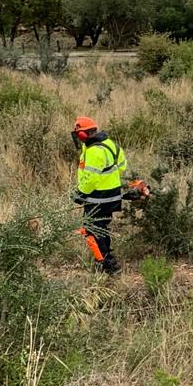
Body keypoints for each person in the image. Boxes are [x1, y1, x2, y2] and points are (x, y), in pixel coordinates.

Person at [72, 116, 127, 275]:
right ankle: (105, 258)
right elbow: (122, 166)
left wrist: (80, 194)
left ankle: (107, 264)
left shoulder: (94, 151)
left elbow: (91, 179)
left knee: (91, 229)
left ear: (83, 134)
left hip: (97, 197)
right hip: (112, 194)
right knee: (101, 227)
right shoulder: (109, 144)